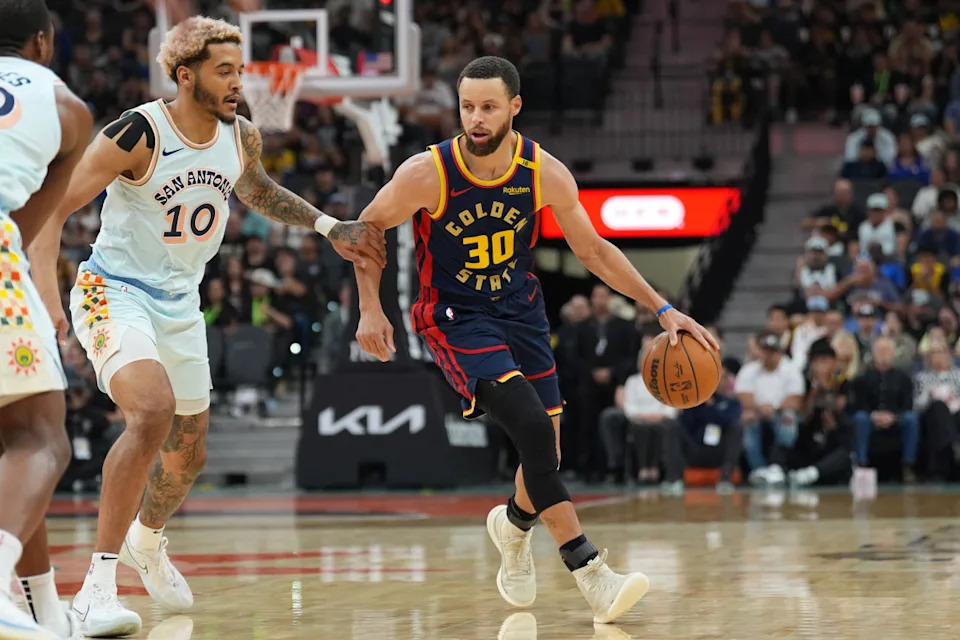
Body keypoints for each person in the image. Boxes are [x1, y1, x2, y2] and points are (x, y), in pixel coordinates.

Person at [28, 17, 385, 637]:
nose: (239, 82)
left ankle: (146, 540)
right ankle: (94, 590)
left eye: (240, 70)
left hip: (181, 303)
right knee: (150, 412)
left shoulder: (242, 135)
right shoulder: (139, 132)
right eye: (225, 71)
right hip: (114, 292)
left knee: (188, 458)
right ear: (186, 75)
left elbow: (260, 192)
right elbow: (54, 207)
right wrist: (46, 295)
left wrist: (330, 227)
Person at [351, 56, 718, 622]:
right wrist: (370, 309)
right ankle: (591, 572)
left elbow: (593, 251)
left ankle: (513, 526)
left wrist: (663, 308)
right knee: (530, 427)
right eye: (467, 107)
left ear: (514, 107)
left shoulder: (544, 172)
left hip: (521, 312)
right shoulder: (428, 173)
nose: (476, 118)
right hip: (455, 316)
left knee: (547, 450)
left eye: (488, 106)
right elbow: (365, 229)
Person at [0, 1, 93, 638]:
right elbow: (27, 224)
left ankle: (45, 611)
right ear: (42, 41)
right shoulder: (66, 107)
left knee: (12, 441)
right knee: (40, 439)